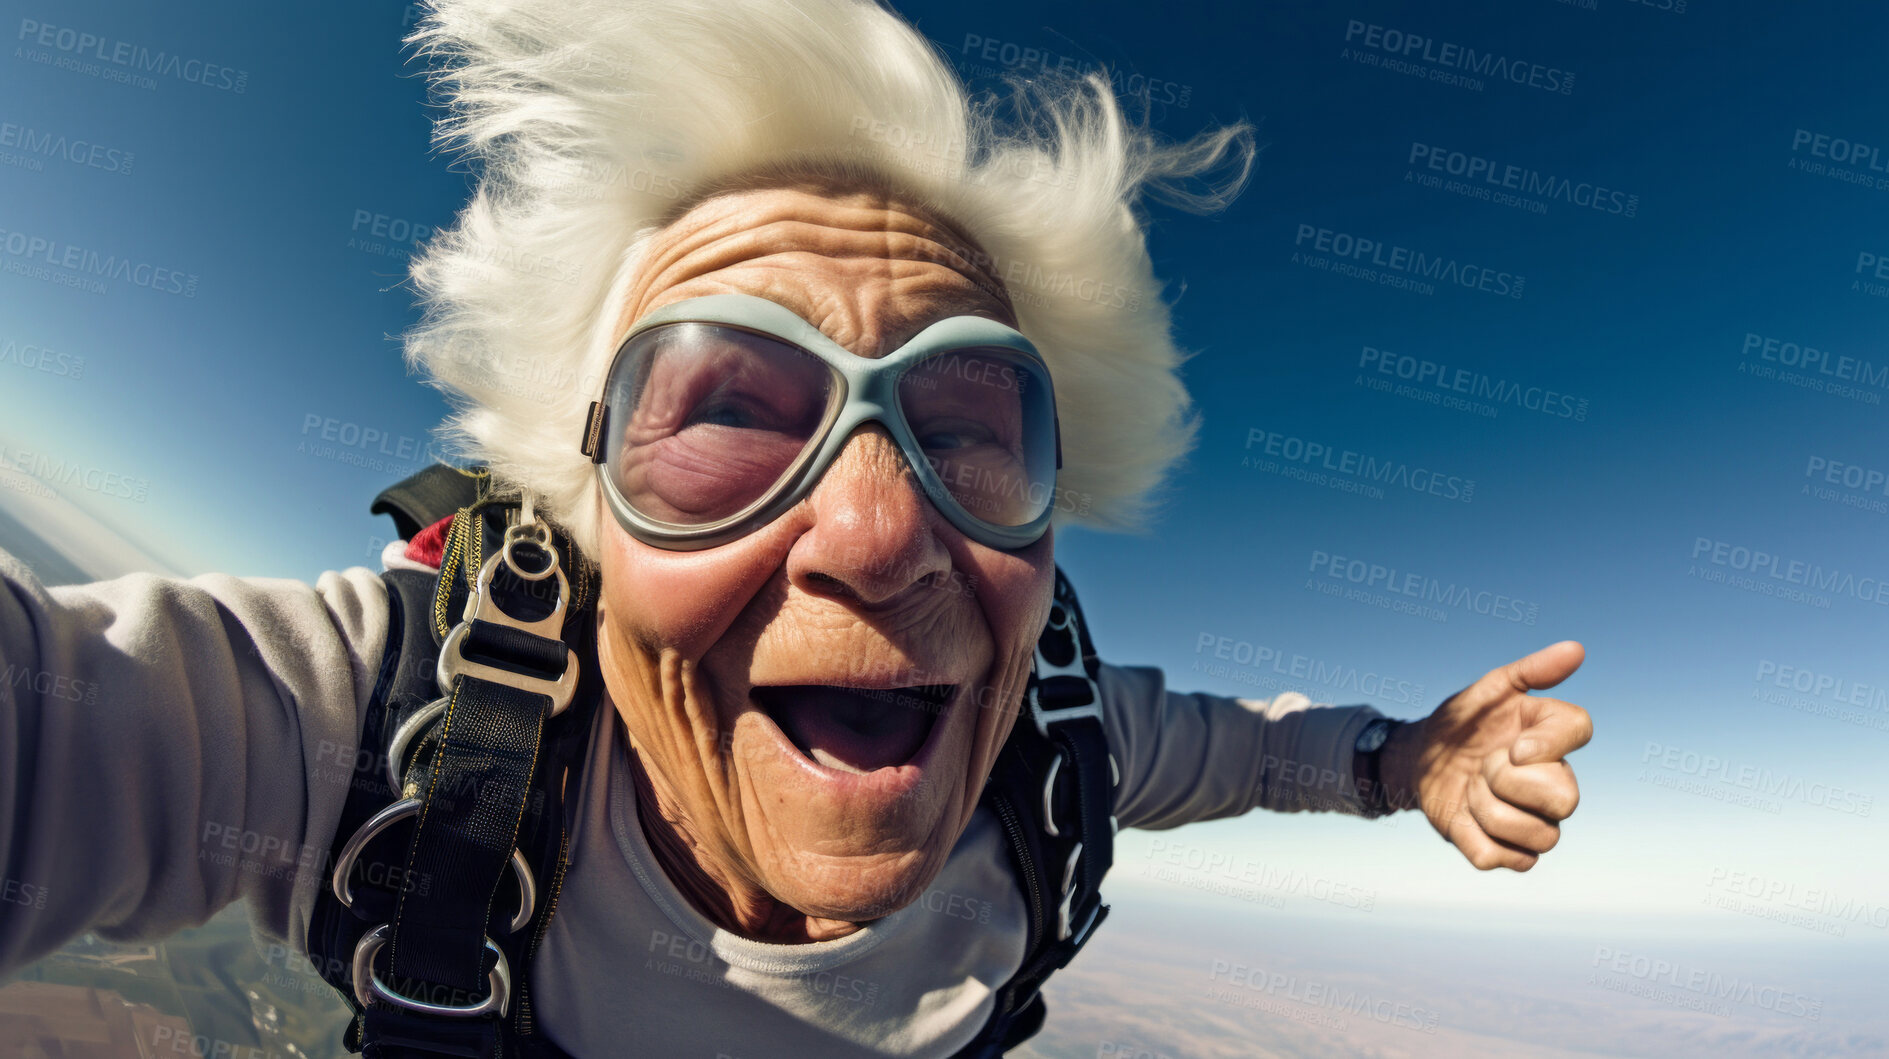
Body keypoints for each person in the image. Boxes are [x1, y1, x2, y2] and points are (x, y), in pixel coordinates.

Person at [0, 0, 1593, 1056]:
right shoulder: (391, 736)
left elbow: (1249, 752)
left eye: (968, 430)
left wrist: (1408, 764)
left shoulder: (1051, 740)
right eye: (725, 414)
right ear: (584, 498)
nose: (876, 533)